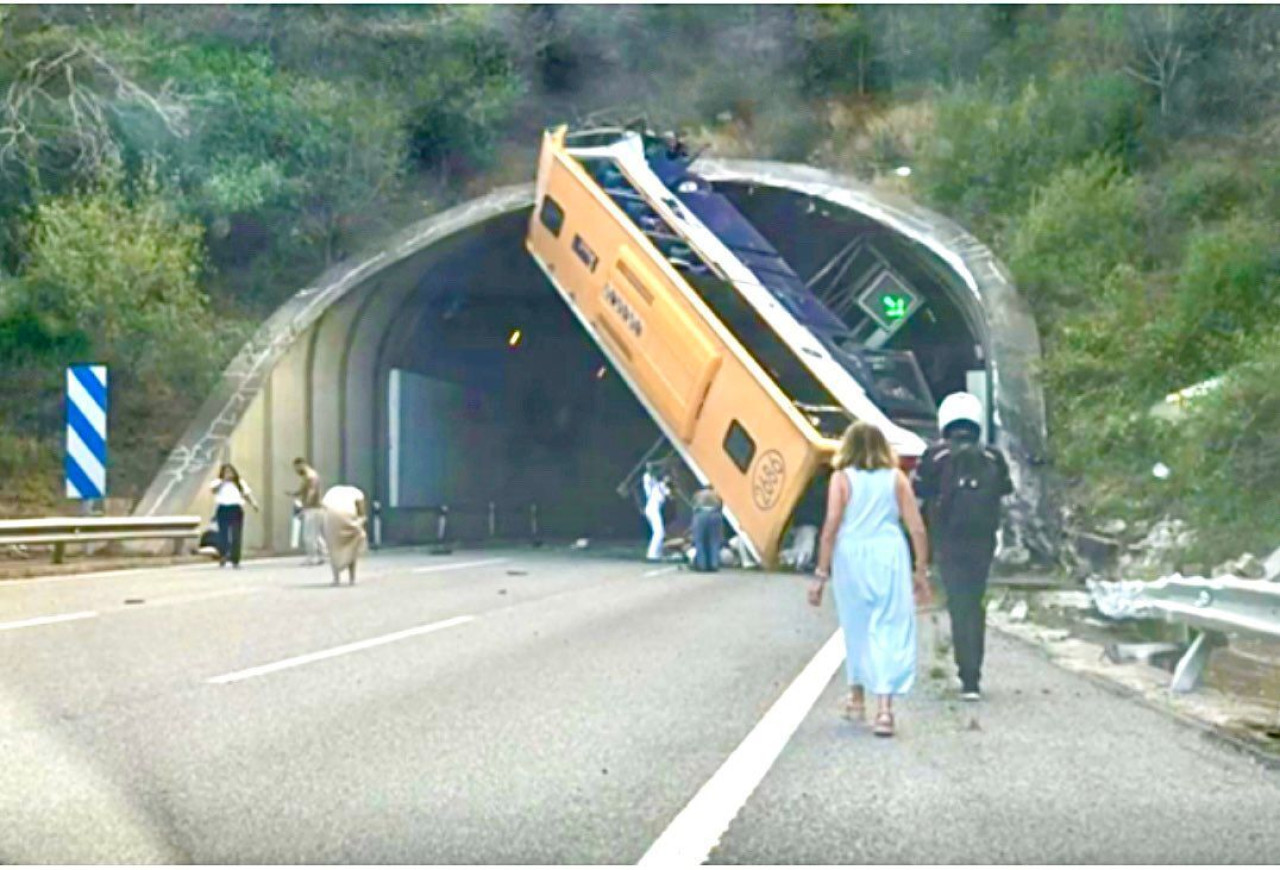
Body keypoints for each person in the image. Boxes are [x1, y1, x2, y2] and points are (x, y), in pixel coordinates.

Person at [810, 421, 931, 738]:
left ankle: (856, 697)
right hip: (889, 553)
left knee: (857, 625)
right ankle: (885, 710)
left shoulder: (841, 479)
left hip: (851, 554)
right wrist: (921, 570)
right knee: (889, 626)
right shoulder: (896, 479)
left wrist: (820, 574)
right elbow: (916, 526)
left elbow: (831, 525)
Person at [912, 392, 1013, 702]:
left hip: (949, 541)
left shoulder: (935, 456)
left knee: (958, 604)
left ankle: (965, 674)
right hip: (982, 541)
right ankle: (975, 675)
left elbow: (920, 489)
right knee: (975, 602)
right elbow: (1006, 489)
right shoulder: (993, 457)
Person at [210, 464, 259, 569]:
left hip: (236, 509)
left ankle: (235, 559)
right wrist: (223, 481)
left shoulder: (239, 482)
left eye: (230, 472)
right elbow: (213, 490)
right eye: (226, 472)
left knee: (236, 535)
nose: (228, 474)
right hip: (223, 509)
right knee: (223, 534)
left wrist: (253, 503)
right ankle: (223, 555)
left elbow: (246, 494)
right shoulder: (217, 482)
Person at [322, 484, 367, 586]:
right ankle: (352, 579)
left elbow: (324, 507)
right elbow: (362, 513)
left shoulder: (332, 491)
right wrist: (359, 526)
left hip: (331, 516)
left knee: (333, 548)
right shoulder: (357, 492)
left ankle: (336, 579)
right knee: (352, 545)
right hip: (349, 514)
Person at [290, 457, 326, 565]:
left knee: (309, 534)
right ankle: (322, 555)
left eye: (296, 468)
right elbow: (304, 490)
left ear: (302, 464)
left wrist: (304, 506)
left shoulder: (310, 476)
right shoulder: (310, 476)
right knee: (316, 534)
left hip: (312, 508)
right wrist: (295, 493)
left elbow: (311, 491)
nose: (296, 471)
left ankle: (312, 557)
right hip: (317, 508)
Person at [689, 486, 724, 572]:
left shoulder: (698, 494)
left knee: (699, 541)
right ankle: (714, 564)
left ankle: (702, 565)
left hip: (701, 514)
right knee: (714, 540)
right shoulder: (716, 494)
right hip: (715, 514)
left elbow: (693, 506)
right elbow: (721, 505)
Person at [642, 463, 671, 561]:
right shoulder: (656, 485)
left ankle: (656, 553)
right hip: (652, 509)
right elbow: (648, 477)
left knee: (660, 532)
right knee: (659, 532)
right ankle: (652, 554)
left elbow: (669, 494)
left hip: (653, 509)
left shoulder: (662, 487)